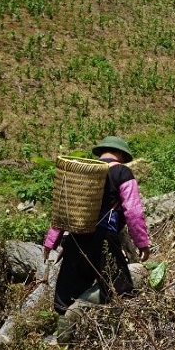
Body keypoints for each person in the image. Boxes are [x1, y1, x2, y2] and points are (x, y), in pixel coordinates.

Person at [43, 136, 151, 318]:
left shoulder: (82, 174)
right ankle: (116, 335)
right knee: (120, 291)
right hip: (104, 239)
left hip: (76, 238)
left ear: (101, 152)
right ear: (120, 154)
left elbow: (64, 209)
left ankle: (67, 340)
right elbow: (133, 211)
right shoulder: (122, 172)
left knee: (65, 299)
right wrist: (142, 243)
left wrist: (51, 241)